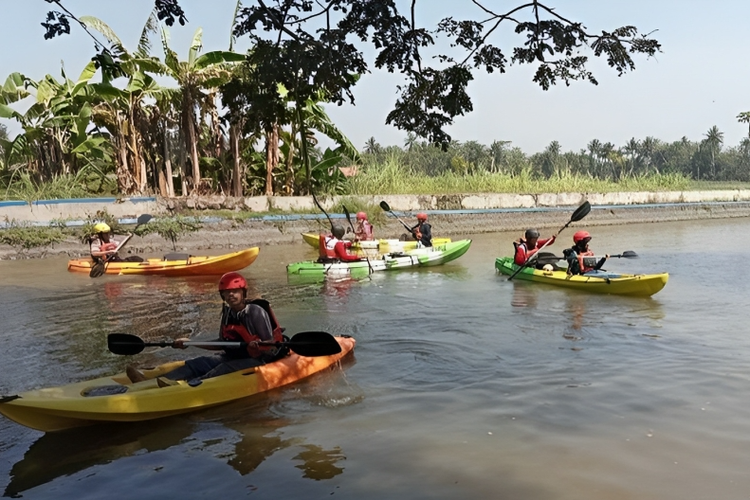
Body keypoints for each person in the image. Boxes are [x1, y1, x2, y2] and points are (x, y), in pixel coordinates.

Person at [126, 272, 287, 387]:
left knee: (222, 369)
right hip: (234, 355)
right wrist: (191, 343)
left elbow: (271, 346)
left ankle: (188, 386)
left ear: (243, 292)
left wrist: (259, 345)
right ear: (222, 295)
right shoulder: (227, 312)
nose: (231, 295)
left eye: (235, 291)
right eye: (226, 292)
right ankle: (150, 382)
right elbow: (222, 343)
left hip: (260, 360)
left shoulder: (255, 311)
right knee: (198, 363)